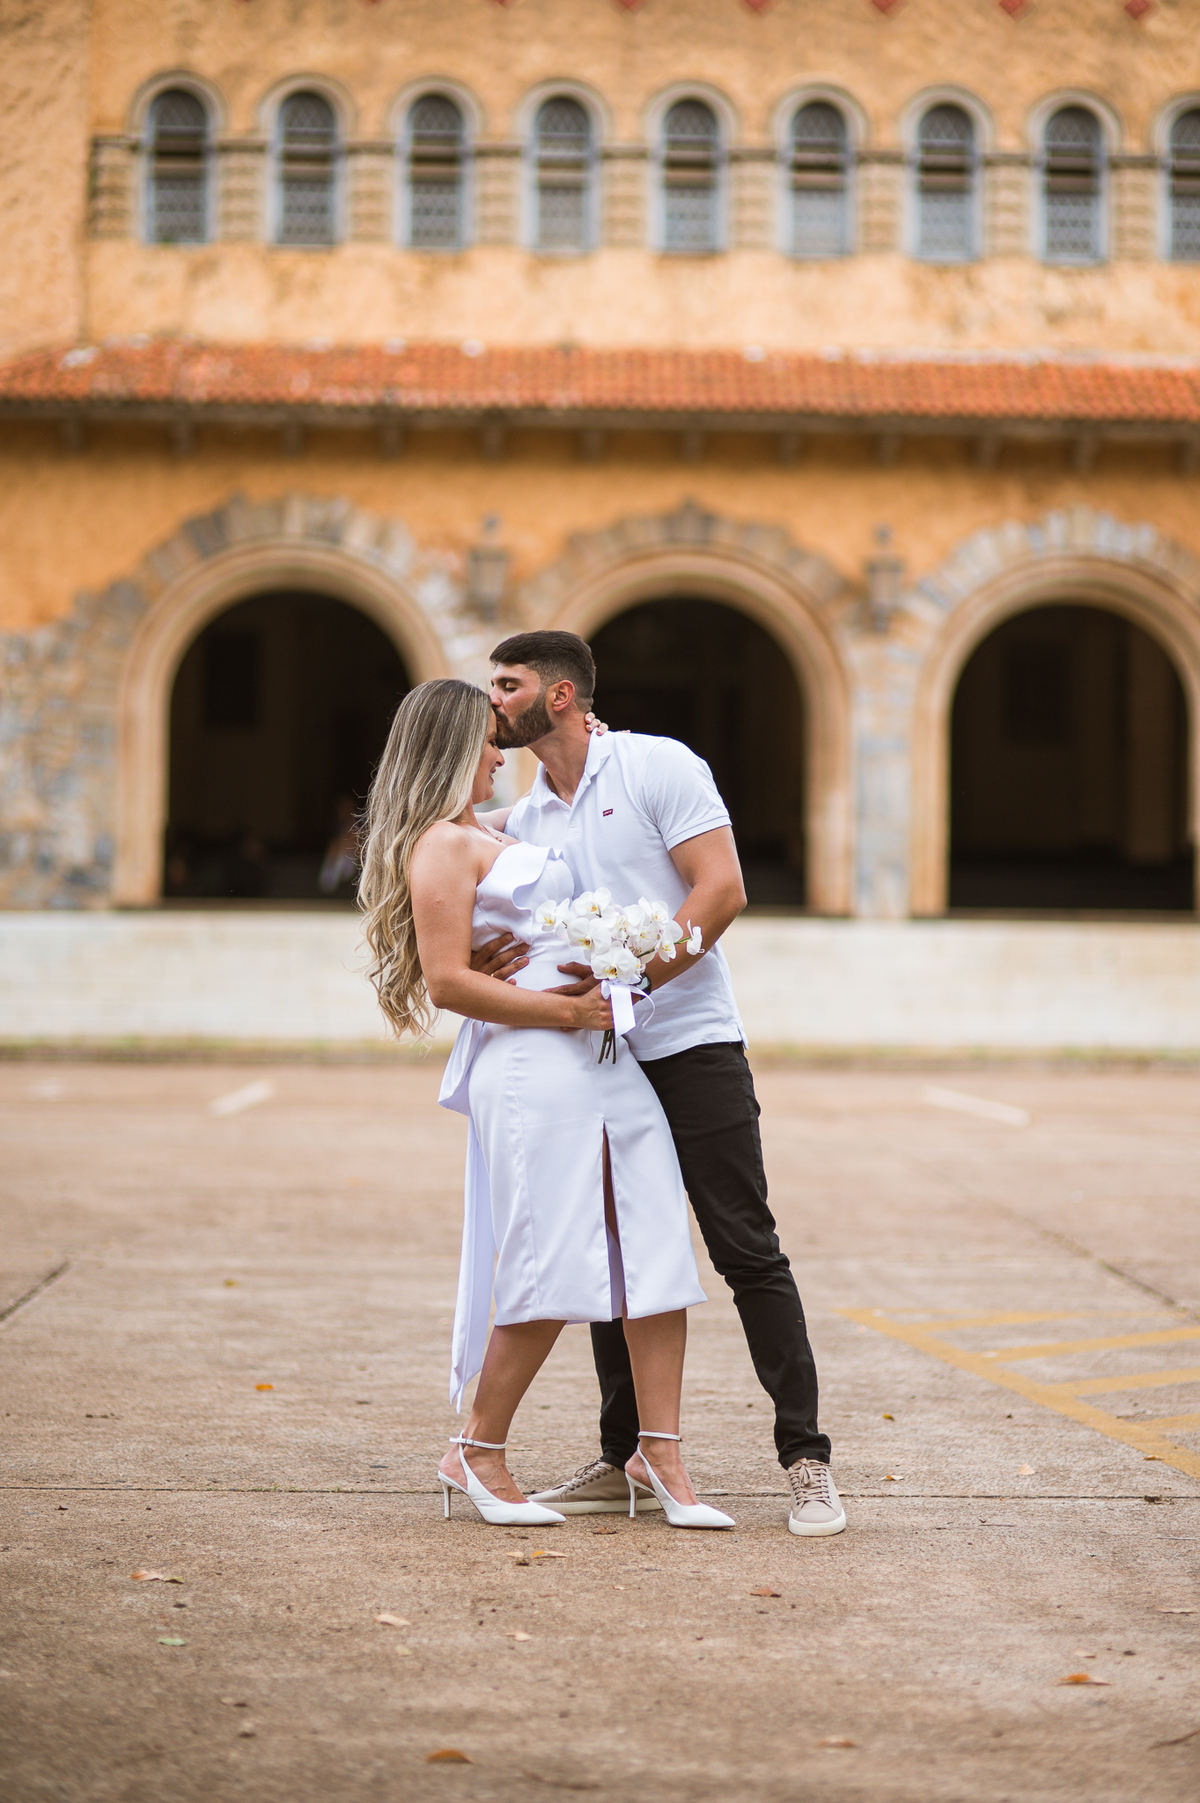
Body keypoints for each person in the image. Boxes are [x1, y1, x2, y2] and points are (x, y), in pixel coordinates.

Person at [473, 630, 846, 1538]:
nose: (494, 702)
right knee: (614, 1255)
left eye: (508, 685)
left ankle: (807, 1461)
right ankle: (624, 1457)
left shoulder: (657, 767)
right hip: (592, 1056)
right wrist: (491, 959)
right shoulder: (526, 817)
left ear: (560, 695)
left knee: (744, 1247)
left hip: (691, 1041)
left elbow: (720, 890)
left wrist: (630, 979)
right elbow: (501, 919)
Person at [358, 677, 735, 1532]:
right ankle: (476, 1448)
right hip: (535, 1064)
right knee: (553, 1253)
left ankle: (659, 1452)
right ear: (453, 748)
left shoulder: (493, 829)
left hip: (599, 1058)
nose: (502, 754)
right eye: (489, 742)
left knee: (652, 1240)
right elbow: (447, 980)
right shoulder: (440, 846)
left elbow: (568, 828)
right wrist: (566, 1009)